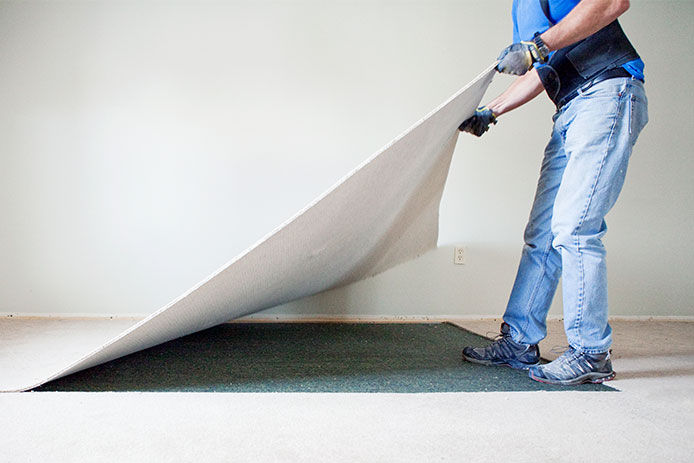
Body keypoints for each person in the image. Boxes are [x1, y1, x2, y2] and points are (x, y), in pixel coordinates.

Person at [458, 0, 648, 386]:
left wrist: (538, 46)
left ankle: (591, 352)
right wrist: (491, 111)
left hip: (605, 94)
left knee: (575, 228)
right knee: (542, 234)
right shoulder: (521, 8)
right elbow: (545, 68)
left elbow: (612, 3)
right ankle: (519, 341)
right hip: (571, 110)